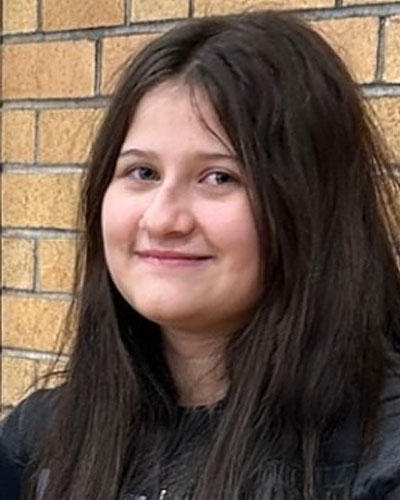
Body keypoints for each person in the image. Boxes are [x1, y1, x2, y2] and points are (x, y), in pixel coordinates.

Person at [1, 9, 400, 500]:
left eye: (218, 177)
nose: (163, 219)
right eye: (143, 173)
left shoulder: (378, 458)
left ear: (310, 205)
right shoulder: (39, 443)